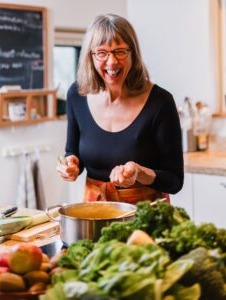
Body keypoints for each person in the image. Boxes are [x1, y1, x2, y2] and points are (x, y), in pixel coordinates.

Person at [57, 14, 184, 204]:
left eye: (120, 51)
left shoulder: (160, 102)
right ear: (90, 56)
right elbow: (72, 152)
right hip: (94, 211)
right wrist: (71, 164)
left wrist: (140, 173)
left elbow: (175, 181)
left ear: (133, 53)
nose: (111, 62)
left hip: (146, 215)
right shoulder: (77, 95)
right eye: (102, 52)